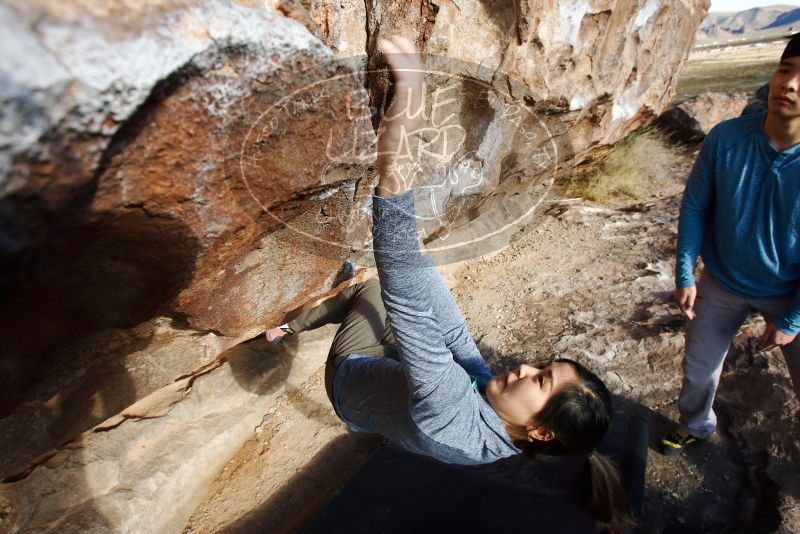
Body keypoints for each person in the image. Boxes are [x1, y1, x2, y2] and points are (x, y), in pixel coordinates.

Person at [267, 37, 632, 532]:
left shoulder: (456, 421)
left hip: (353, 382)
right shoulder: (500, 416)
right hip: (396, 392)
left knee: (372, 292)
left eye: (541, 380)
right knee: (402, 294)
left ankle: (284, 326)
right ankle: (345, 338)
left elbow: (407, 305)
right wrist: (413, 257)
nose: (525, 367)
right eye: (542, 365)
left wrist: (409, 103)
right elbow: (454, 335)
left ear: (541, 433)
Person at [662, 34, 800, 456]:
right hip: (722, 280)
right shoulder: (726, 139)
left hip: (790, 290)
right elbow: (695, 207)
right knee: (699, 370)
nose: (790, 84)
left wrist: (792, 320)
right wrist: (685, 272)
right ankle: (697, 426)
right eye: (786, 69)